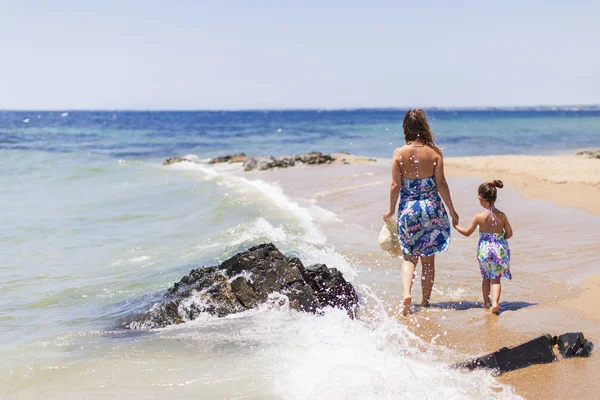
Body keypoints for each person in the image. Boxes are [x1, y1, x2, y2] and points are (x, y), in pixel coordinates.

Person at [383, 109, 459, 316]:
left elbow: (394, 185)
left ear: (406, 128)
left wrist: (390, 209)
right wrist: (452, 210)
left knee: (409, 258)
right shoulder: (434, 153)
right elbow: (441, 183)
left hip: (409, 210)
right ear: (424, 127)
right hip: (432, 208)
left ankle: (407, 294)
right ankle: (425, 302)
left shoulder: (399, 154)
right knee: (428, 260)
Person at [453, 180, 513, 315]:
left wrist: (456, 226)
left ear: (480, 197)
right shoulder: (502, 215)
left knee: (486, 277)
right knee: (495, 278)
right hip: (499, 249)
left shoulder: (479, 217)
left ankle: (486, 303)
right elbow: (509, 233)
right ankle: (495, 304)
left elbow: (467, 232)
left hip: (484, 250)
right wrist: (501, 238)